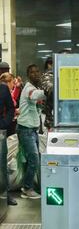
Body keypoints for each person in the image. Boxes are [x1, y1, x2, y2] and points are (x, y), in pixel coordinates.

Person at [17, 64, 46, 199]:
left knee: (32, 159)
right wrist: (49, 91)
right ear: (28, 75)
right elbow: (33, 96)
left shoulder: (34, 87)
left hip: (31, 130)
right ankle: (27, 188)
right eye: (32, 72)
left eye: (37, 71)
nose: (35, 74)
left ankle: (28, 186)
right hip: (25, 130)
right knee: (34, 158)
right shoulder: (29, 88)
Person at [0, 72, 16, 205]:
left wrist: (4, 123)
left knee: (2, 164)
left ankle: (6, 194)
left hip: (0, 132)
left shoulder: (3, 88)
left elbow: (11, 108)